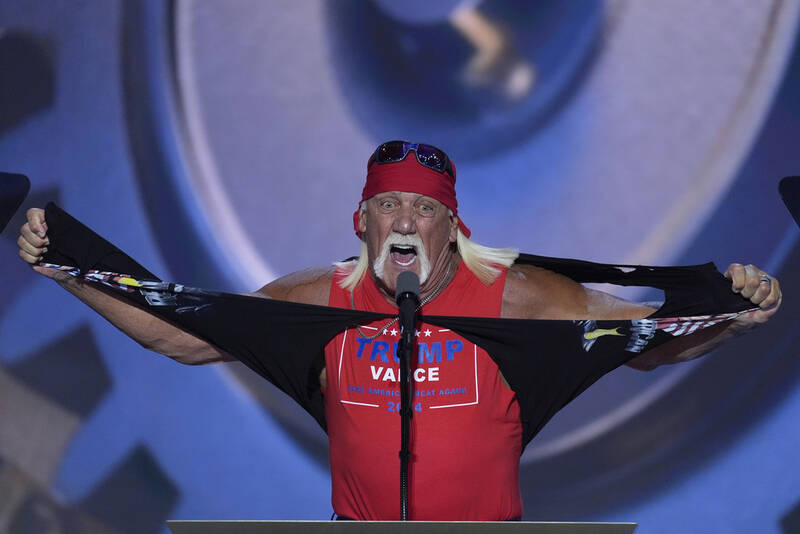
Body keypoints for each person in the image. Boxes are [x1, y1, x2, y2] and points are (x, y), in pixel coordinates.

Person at [17, 140, 782, 520]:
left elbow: (647, 340)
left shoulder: (521, 299)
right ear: (362, 223)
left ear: (454, 228)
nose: (406, 220)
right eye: (389, 206)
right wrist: (67, 270)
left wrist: (734, 319)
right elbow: (178, 333)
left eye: (424, 209)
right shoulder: (314, 301)